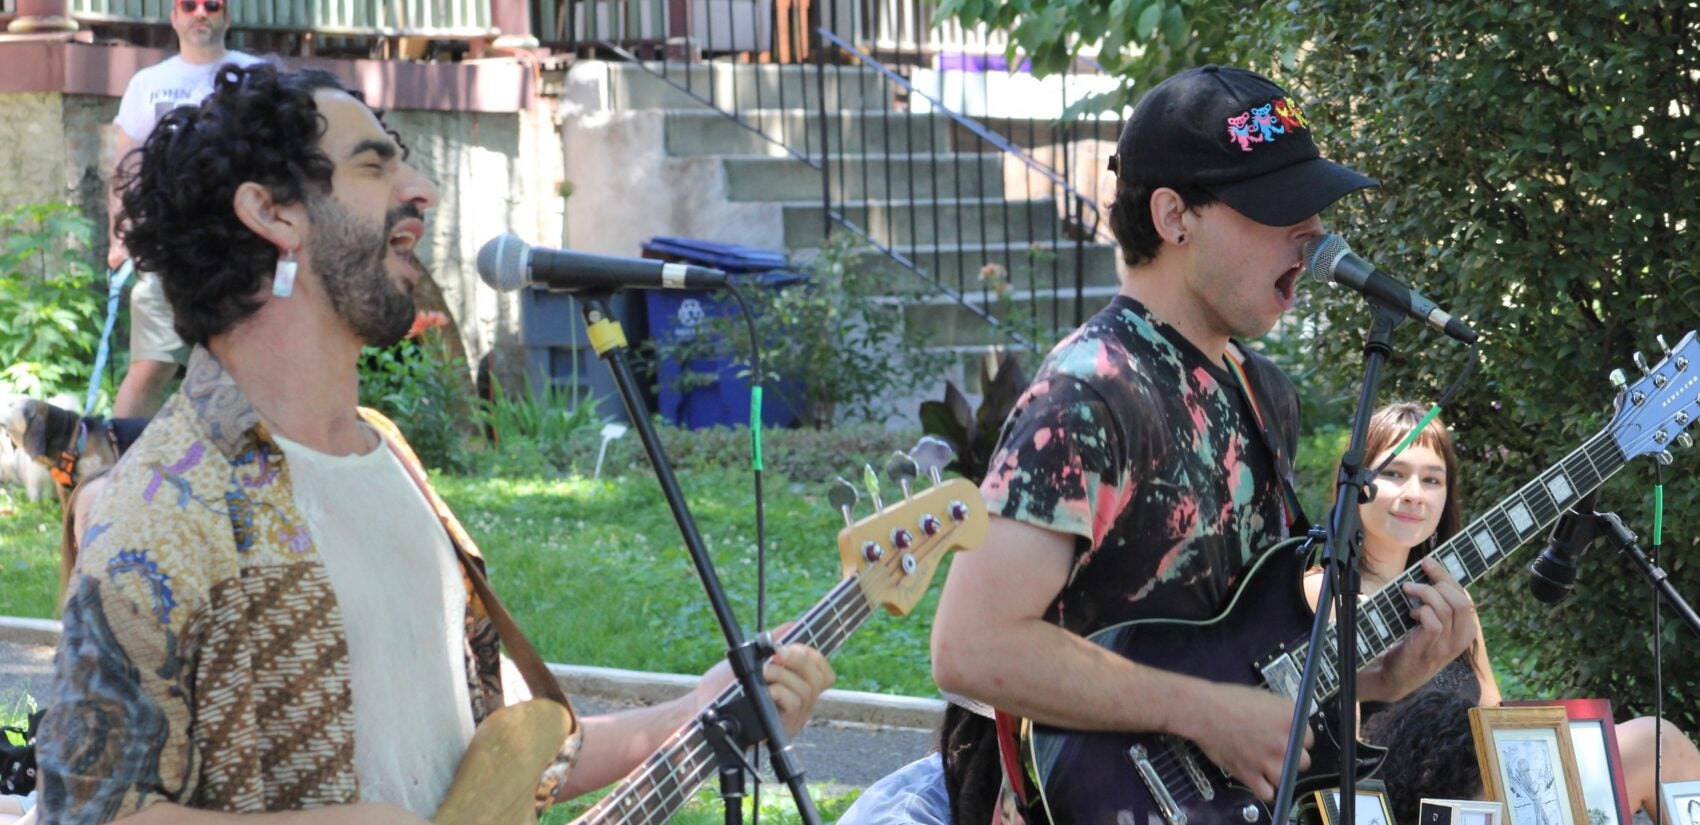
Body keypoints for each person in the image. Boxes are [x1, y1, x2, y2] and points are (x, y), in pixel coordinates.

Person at [35, 63, 835, 824]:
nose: (422, 191)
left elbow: (495, 759)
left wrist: (697, 709)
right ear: (272, 213)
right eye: (375, 165)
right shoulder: (164, 509)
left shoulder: (392, 461)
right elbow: (87, 808)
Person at [879, 64, 1481, 825]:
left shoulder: (1263, 391)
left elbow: (1234, 656)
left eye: (1315, 210)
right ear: (1173, 216)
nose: (1315, 237)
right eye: (1279, 210)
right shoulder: (1091, 394)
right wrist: (1207, 712)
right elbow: (971, 648)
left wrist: (1374, 679)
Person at [1321, 402, 1700, 824]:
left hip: (1491, 799)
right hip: (1398, 807)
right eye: (1393, 473)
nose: (1414, 493)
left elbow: (1494, 718)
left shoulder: (1449, 598)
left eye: (1432, 479)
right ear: (1352, 482)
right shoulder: (1319, 594)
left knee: (1657, 742)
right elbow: (1335, 770)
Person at [107, 0, 265, 417]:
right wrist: (119, 233)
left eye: (212, 5)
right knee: (151, 368)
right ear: (174, 17)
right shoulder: (148, 83)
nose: (201, 13)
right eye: (188, 5)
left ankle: (252, 473)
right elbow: (127, 168)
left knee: (246, 368)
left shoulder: (257, 78)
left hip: (240, 246)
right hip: (165, 245)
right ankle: (118, 471)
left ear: (226, 17)